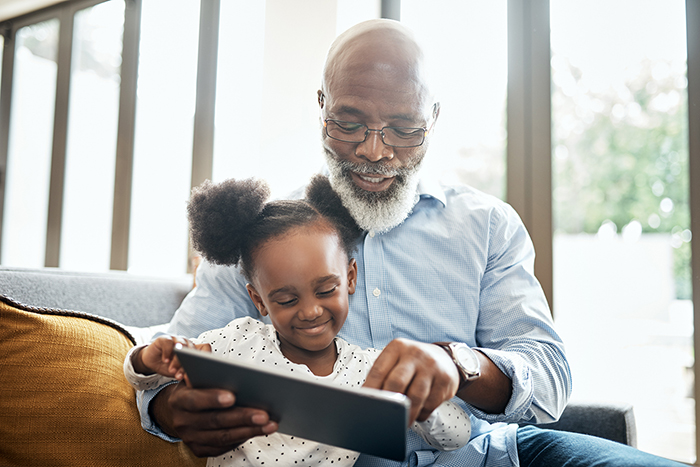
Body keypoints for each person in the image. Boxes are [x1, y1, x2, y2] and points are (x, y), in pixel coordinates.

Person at [136, 19, 685, 467]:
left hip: (494, 455)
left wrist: (457, 363)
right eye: (347, 124)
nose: (375, 152)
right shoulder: (265, 235)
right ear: (322, 104)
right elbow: (165, 362)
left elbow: (549, 376)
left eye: (405, 129)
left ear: (435, 117)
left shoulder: (487, 225)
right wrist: (173, 408)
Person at [124, 175, 471, 466]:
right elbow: (146, 378)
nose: (310, 311)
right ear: (258, 300)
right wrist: (147, 357)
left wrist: (424, 401)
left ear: (350, 278)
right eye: (287, 300)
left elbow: (456, 437)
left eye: (325, 290)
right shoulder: (238, 342)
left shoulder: (370, 370)